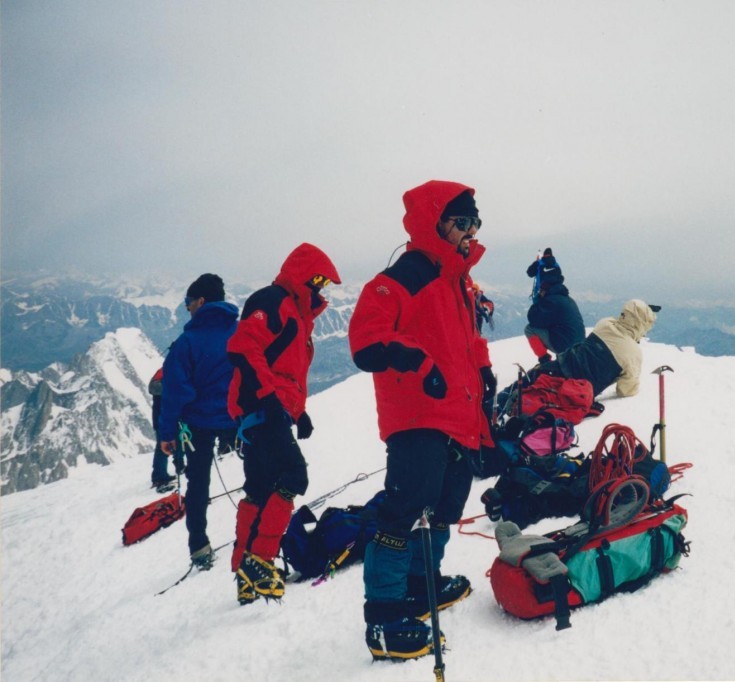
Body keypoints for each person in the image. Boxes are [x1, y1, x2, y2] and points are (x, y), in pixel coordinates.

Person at [349, 180, 495, 661]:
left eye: (474, 222)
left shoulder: (457, 278)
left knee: (446, 501)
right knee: (405, 507)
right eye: (460, 222)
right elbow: (367, 337)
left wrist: (485, 370)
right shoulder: (409, 273)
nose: (469, 231)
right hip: (416, 414)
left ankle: (420, 585)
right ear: (435, 223)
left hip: (458, 411)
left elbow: (466, 337)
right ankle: (385, 619)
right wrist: (418, 363)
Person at [226, 243, 340, 605]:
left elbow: (286, 371)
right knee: (294, 476)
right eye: (318, 280)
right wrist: (269, 400)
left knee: (259, 489)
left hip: (269, 411)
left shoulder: (297, 314)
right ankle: (259, 561)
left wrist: (297, 411)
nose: (321, 288)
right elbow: (245, 347)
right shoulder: (273, 301)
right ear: (302, 274)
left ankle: (245, 573)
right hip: (262, 410)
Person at [158, 274, 239, 571]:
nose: (186, 308)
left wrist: (166, 433)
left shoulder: (187, 343)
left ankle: (199, 546)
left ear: (201, 302)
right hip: (237, 418)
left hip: (198, 424)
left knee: (198, 485)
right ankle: (255, 535)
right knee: (259, 474)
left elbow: (174, 393)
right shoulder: (241, 332)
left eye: (187, 303)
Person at [519, 299, 659, 400]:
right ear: (642, 324)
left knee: (517, 390)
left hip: (558, 366)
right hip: (575, 392)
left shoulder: (605, 323)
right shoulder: (633, 353)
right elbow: (626, 390)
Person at [523, 266, 585, 363]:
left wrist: (539, 299)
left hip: (565, 345)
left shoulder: (551, 301)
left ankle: (544, 359)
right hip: (579, 345)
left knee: (529, 329)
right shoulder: (567, 299)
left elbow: (533, 318)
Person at [147, 368, 176, 492]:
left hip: (161, 416)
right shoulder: (168, 370)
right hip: (163, 417)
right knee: (162, 447)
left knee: (163, 446)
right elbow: (153, 388)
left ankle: (160, 475)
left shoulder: (164, 371)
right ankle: (159, 477)